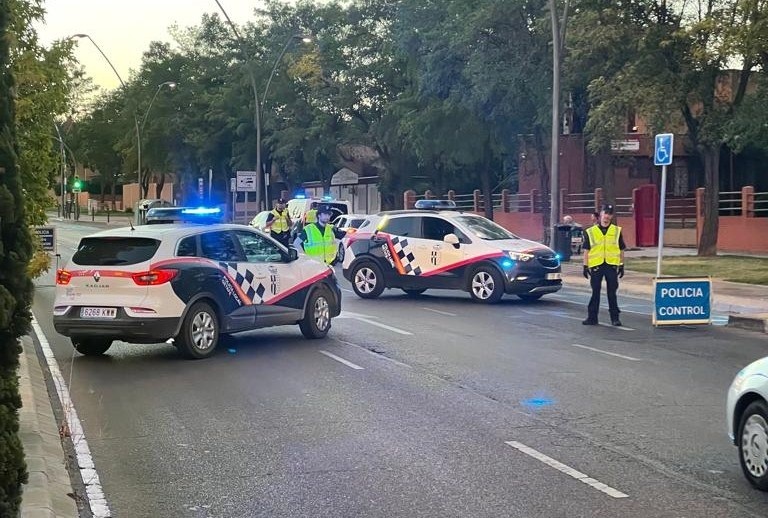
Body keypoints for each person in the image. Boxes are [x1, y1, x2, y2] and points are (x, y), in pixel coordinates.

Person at [582, 204, 626, 326]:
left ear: (611, 216)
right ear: (600, 214)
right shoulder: (591, 231)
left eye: (609, 214)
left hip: (611, 265)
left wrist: (621, 264)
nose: (607, 216)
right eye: (605, 213)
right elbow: (586, 250)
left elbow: (621, 249)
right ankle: (592, 317)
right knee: (595, 291)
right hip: (596, 265)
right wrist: (585, 266)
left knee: (612, 292)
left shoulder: (616, 231)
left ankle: (615, 318)